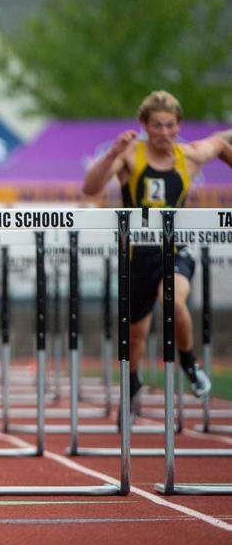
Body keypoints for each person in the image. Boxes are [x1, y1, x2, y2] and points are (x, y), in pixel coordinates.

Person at [83, 90, 232, 402]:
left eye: (170, 125)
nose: (164, 133)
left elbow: (219, 144)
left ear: (178, 126)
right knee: (135, 337)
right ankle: (134, 383)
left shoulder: (188, 156)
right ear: (144, 126)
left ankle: (190, 363)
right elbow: (90, 187)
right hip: (137, 256)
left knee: (173, 301)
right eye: (157, 126)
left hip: (174, 249)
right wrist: (112, 153)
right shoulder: (129, 156)